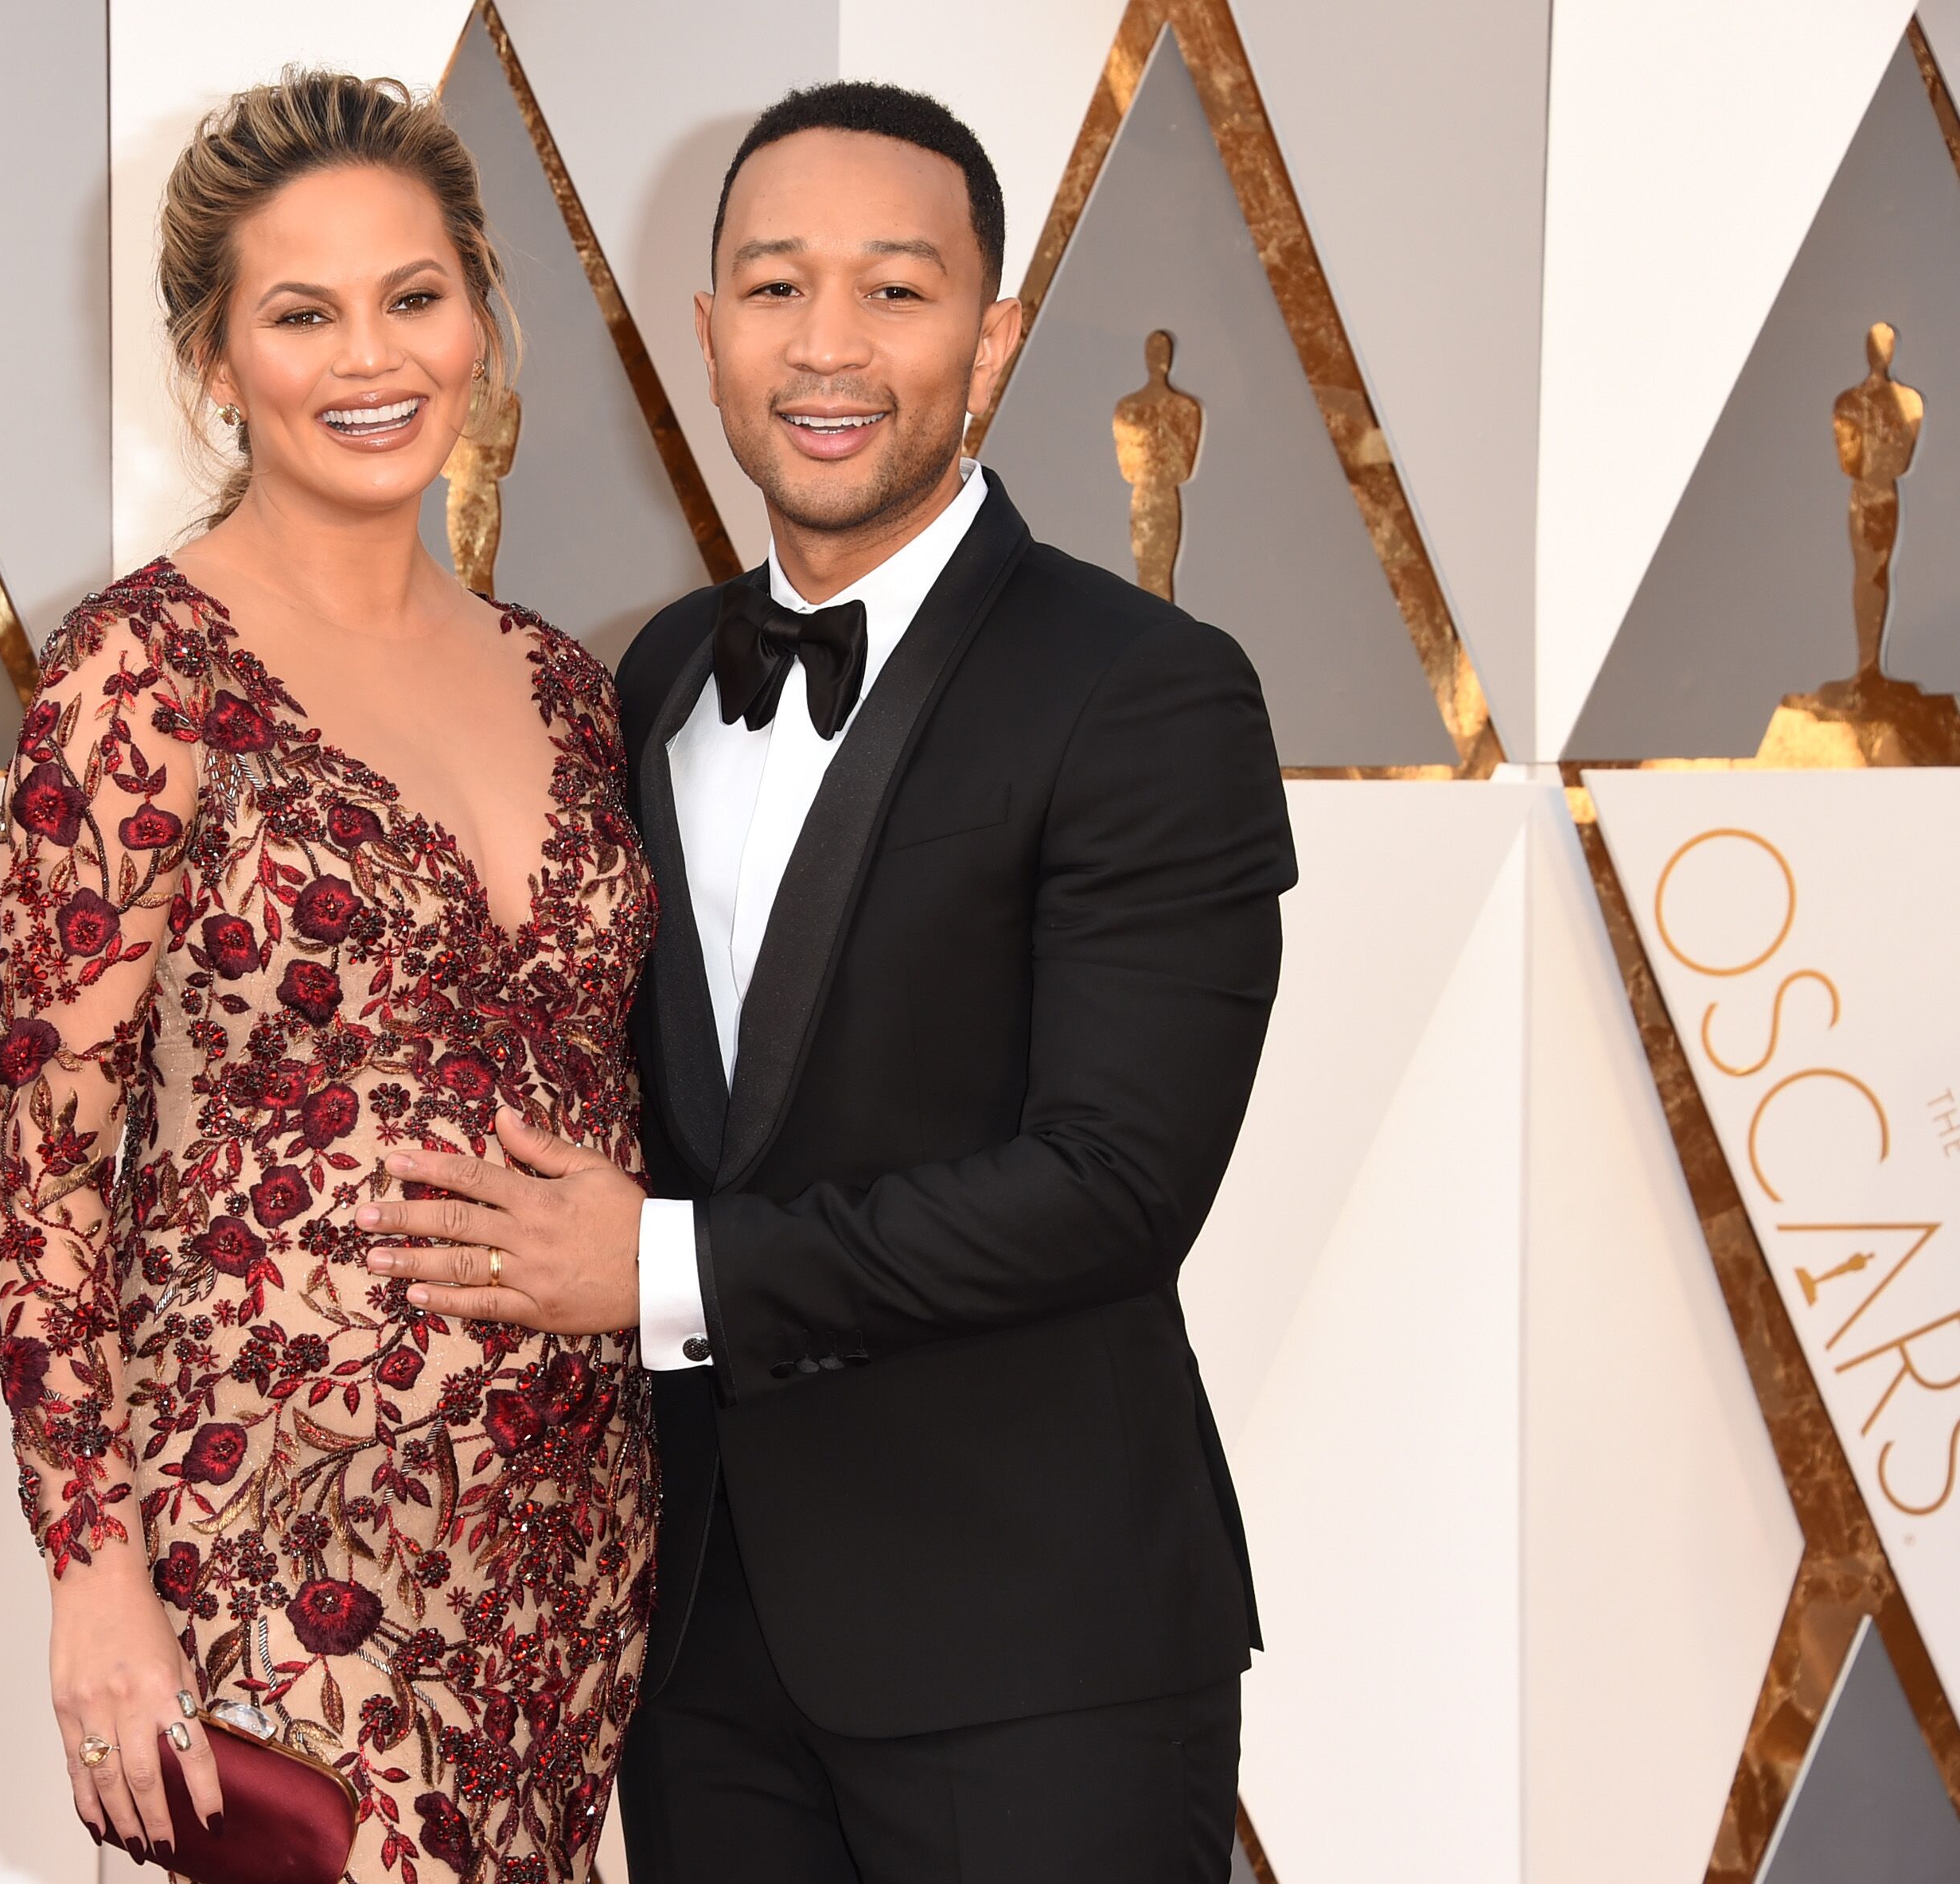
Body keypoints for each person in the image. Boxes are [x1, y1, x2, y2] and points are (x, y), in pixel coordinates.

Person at [358, 82, 1296, 1881]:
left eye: (898, 288)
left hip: (1039, 1652)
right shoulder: (644, 688)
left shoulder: (1150, 690)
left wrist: (655, 1265)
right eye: (778, 289)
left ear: (994, 333)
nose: (830, 346)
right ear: (708, 336)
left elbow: (1117, 1183)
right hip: (695, 1649)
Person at [0, 72, 657, 1882]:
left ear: (478, 319)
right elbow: (47, 1150)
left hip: (565, 1540)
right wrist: (93, 1569)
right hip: (279, 1548)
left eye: (412, 295)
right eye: (303, 311)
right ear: (217, 360)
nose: (371, 355)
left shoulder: (572, 689)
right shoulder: (140, 673)